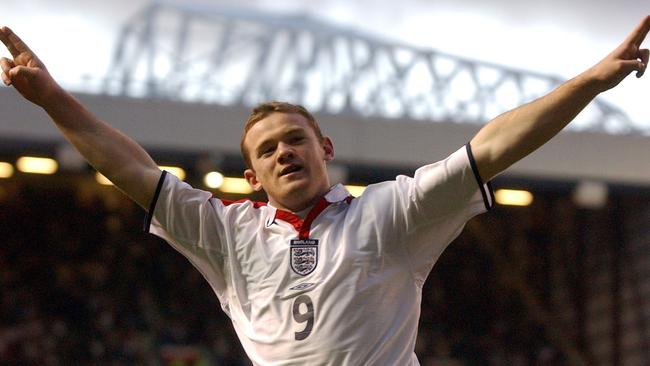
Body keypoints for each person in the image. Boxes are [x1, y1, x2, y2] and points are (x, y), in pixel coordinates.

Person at [1, 16, 648, 365]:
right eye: (267, 148)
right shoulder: (227, 233)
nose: (284, 150)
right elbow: (130, 170)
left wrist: (586, 84)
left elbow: (494, 145)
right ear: (250, 176)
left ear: (325, 150)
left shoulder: (392, 212)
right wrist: (52, 98)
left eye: (296, 139)